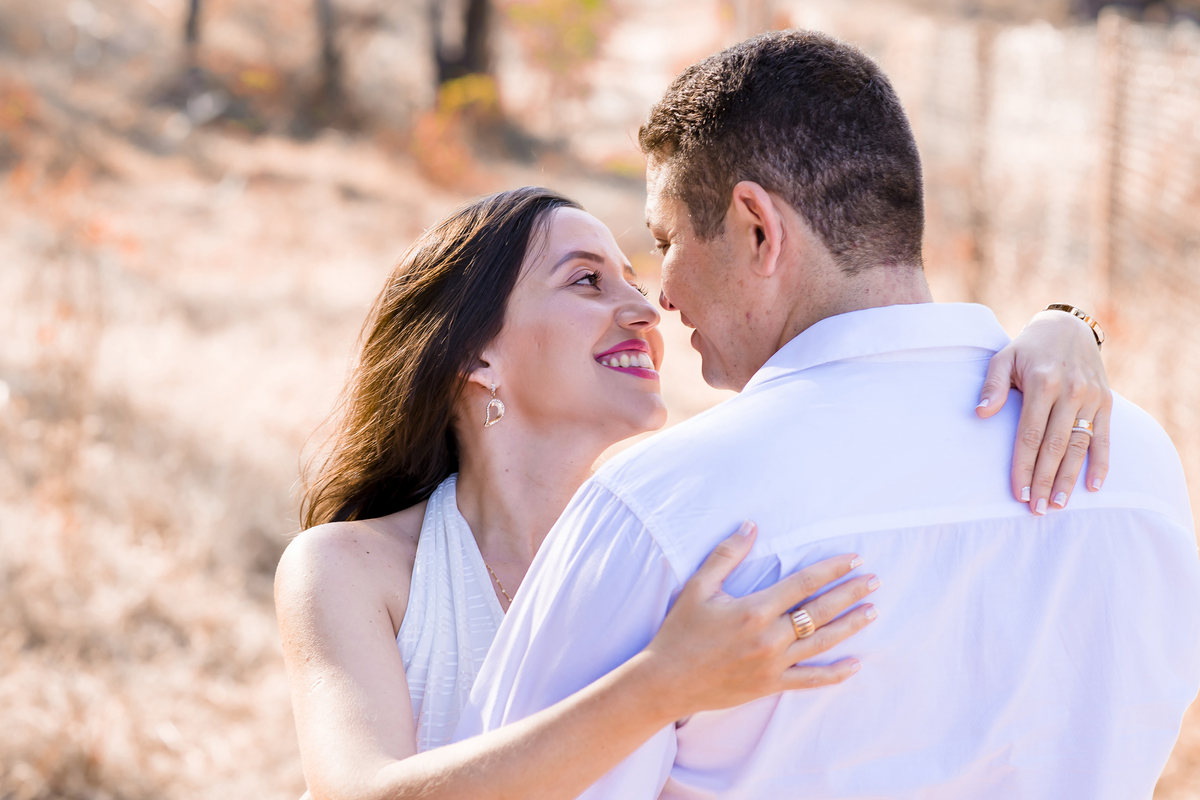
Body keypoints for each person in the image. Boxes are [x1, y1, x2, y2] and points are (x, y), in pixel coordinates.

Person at [454, 31, 1200, 800]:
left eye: (665, 239)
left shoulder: (666, 509)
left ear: (756, 228)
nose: (660, 297)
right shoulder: (1135, 468)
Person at [276, 181, 1111, 800]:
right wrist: (662, 685)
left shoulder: (678, 546)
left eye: (635, 279)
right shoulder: (350, 569)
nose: (646, 308)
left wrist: (1066, 329)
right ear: (476, 356)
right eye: (586, 282)